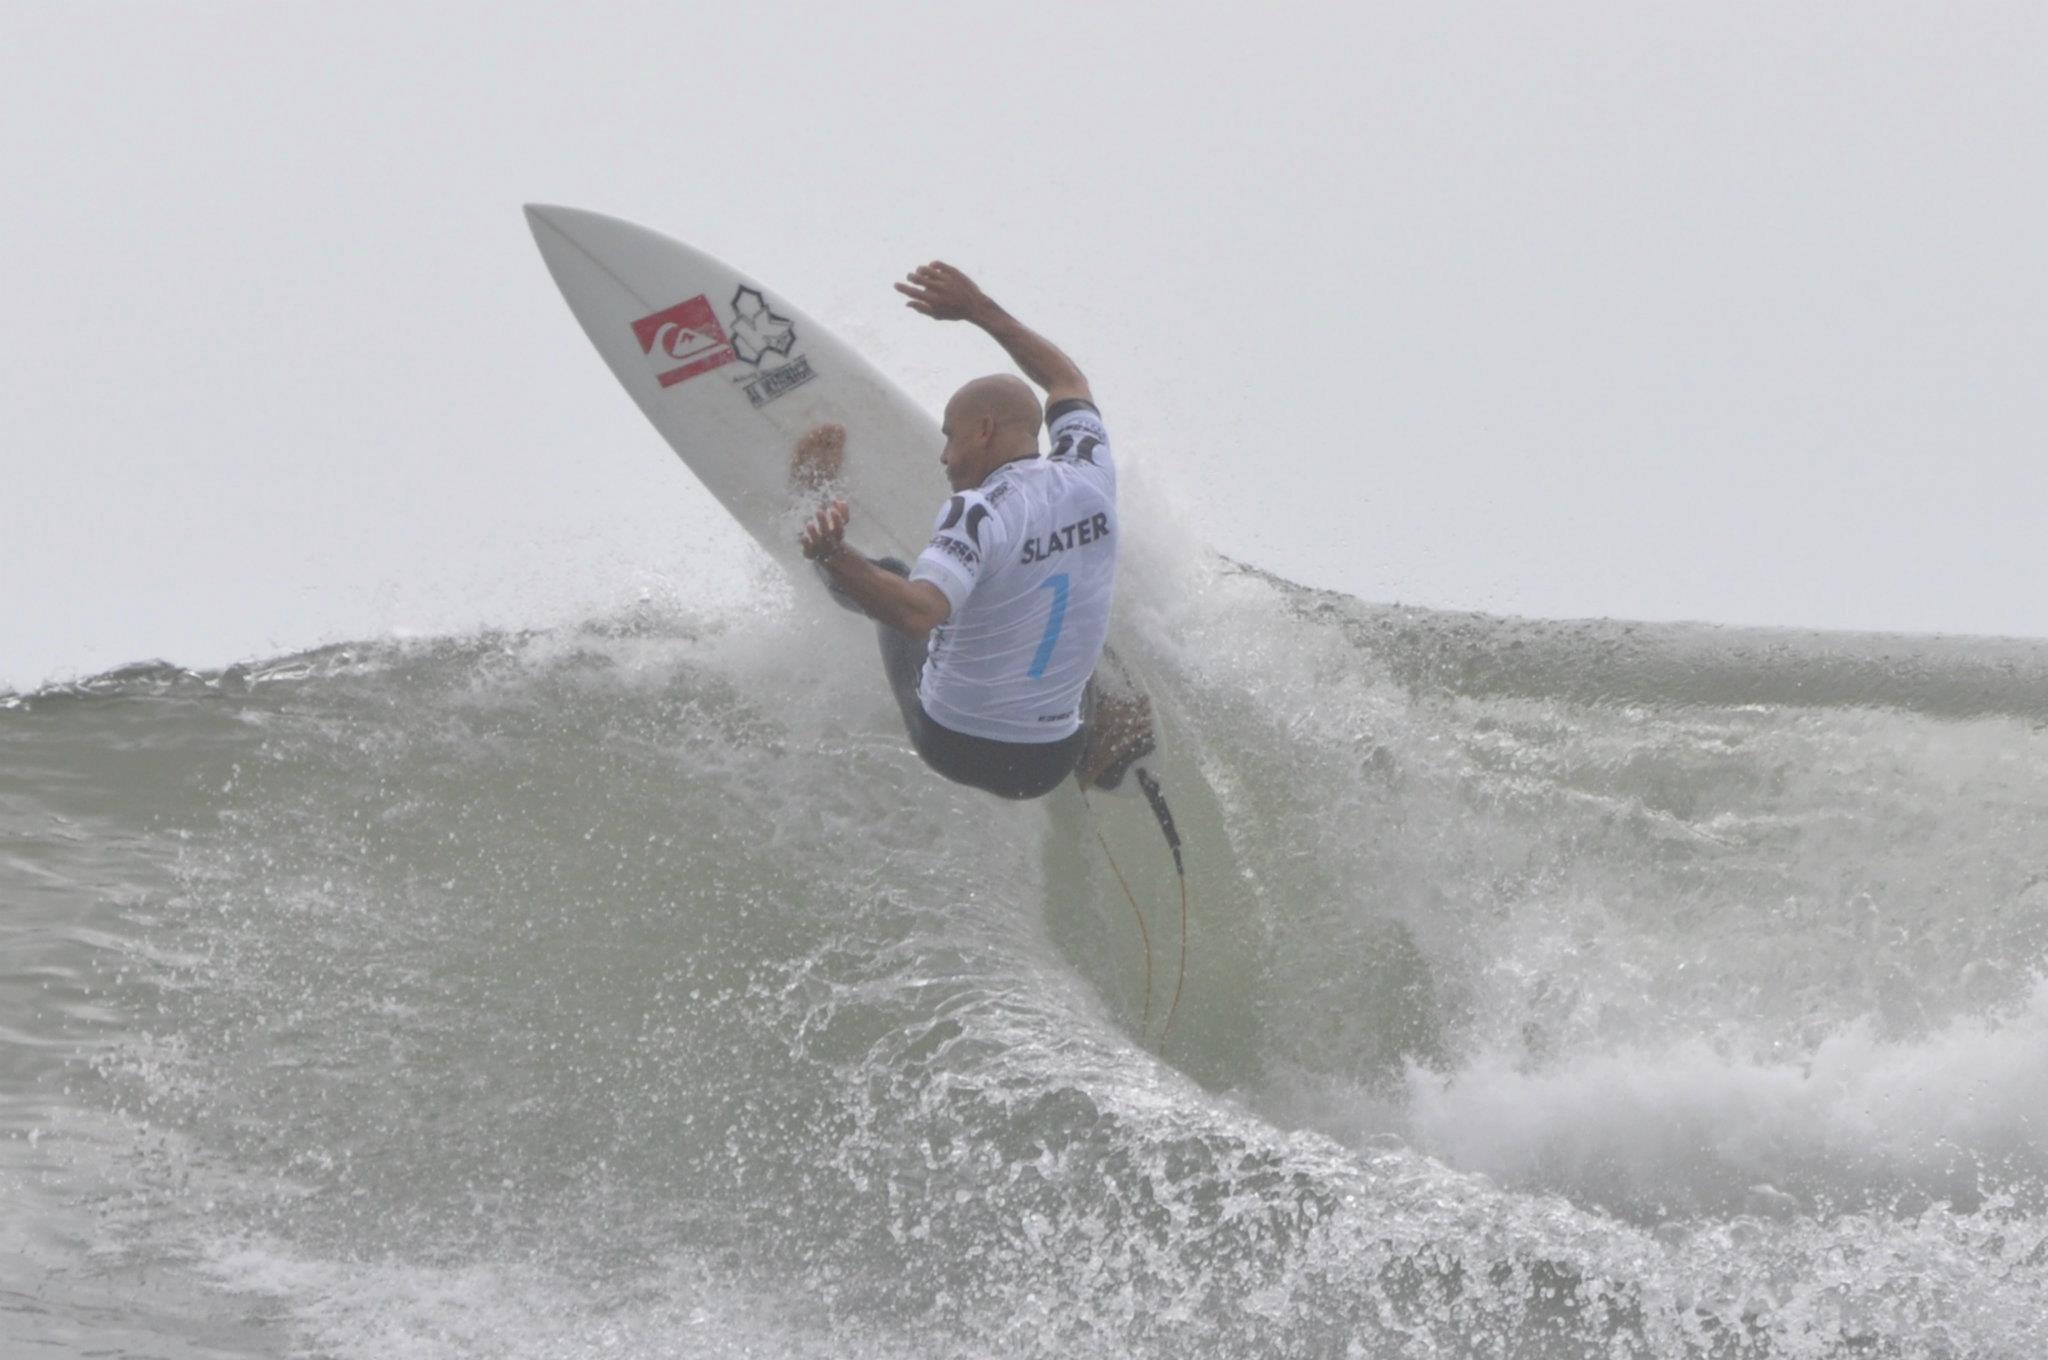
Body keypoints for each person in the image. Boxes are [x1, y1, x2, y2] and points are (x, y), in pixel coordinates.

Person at [796, 262, 1125, 800]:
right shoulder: (1091, 470)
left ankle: (814, 512)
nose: (944, 455)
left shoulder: (977, 512)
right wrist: (978, 310)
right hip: (1051, 759)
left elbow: (916, 614)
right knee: (1059, 596)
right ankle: (1104, 746)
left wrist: (835, 555)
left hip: (956, 743)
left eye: (951, 437)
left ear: (985, 430)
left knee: (894, 575)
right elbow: (1067, 381)